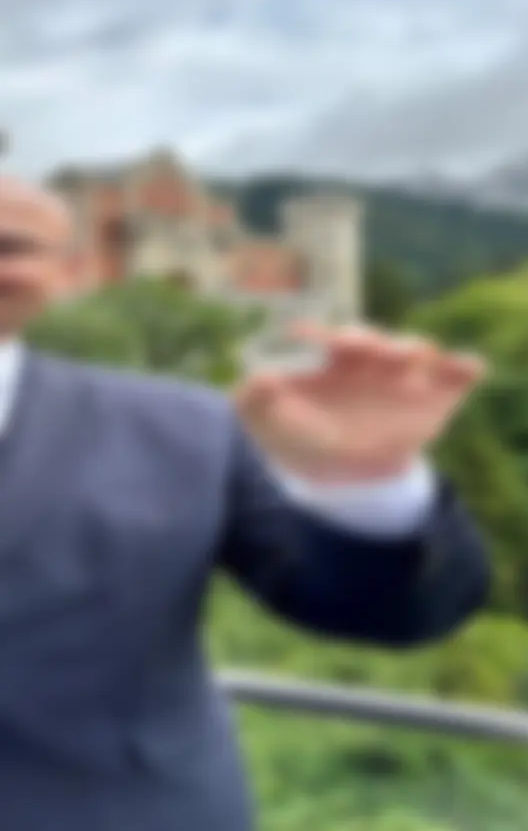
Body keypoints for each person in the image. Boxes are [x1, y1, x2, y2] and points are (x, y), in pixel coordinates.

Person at [0, 176, 491, 830]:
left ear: (69, 272)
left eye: (10, 245)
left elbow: (380, 606)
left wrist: (367, 485)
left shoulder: (182, 428)